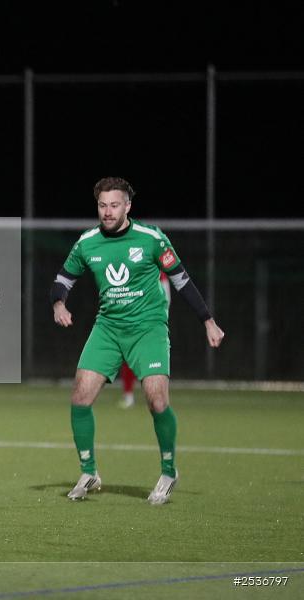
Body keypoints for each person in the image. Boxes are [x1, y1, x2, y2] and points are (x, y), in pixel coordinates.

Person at [50, 177, 225, 505]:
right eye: (102, 205)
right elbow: (63, 278)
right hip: (108, 328)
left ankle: (169, 470)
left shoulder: (151, 238)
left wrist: (208, 321)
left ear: (128, 206)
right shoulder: (87, 242)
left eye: (114, 205)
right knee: (80, 397)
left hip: (148, 328)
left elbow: (181, 280)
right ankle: (89, 471)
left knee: (157, 400)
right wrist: (59, 303)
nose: (108, 211)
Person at [118, 271, 170, 408]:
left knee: (151, 363)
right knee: (128, 359)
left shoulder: (159, 272)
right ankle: (129, 396)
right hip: (132, 321)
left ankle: (155, 396)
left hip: (151, 324)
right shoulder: (132, 267)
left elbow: (166, 298)